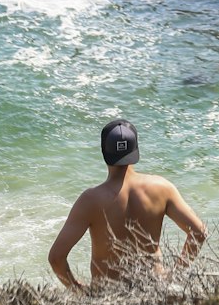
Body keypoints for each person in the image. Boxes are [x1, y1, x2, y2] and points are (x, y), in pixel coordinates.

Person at [48, 119, 206, 289]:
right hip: (154, 290)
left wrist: (78, 290)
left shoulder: (91, 200)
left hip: (108, 296)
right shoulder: (162, 188)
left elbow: (56, 257)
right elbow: (199, 232)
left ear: (104, 152)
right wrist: (175, 274)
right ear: (136, 150)